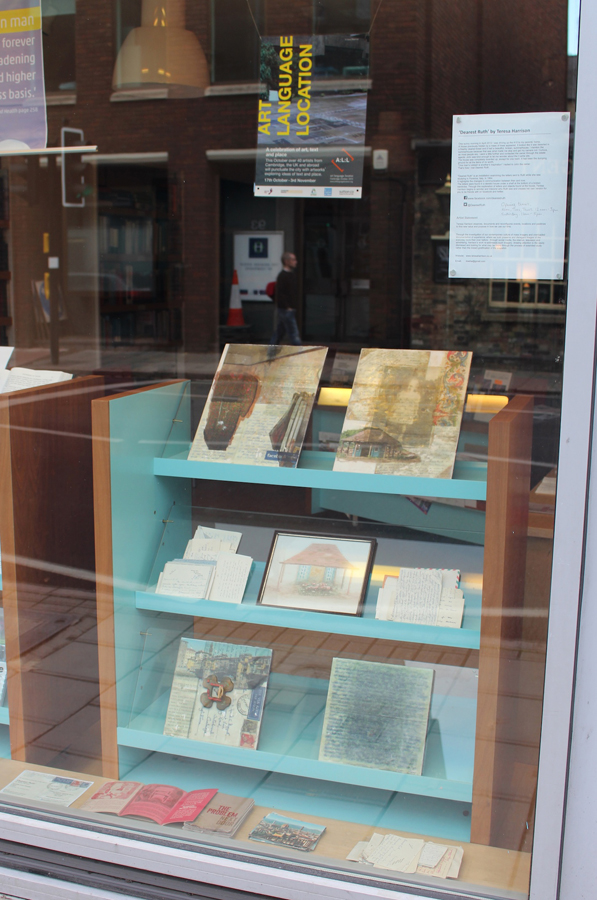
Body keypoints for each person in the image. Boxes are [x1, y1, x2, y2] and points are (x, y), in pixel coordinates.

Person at [269, 251, 302, 346]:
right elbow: (280, 294)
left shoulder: (292, 275)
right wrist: (288, 307)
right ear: (287, 261)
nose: (296, 262)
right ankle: (299, 352)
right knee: (293, 333)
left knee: (279, 332)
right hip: (286, 309)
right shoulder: (282, 276)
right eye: (293, 260)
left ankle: (271, 349)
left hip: (289, 309)